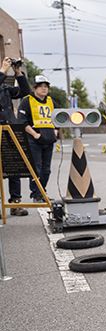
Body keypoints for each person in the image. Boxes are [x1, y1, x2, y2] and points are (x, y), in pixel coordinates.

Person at [17, 75, 58, 203]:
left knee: (47, 169)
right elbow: (22, 122)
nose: (44, 89)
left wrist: (56, 132)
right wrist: (35, 134)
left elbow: (59, 118)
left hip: (49, 139)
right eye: (41, 86)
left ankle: (42, 191)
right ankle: (36, 194)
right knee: (36, 168)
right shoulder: (27, 101)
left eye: (46, 87)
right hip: (34, 140)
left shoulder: (52, 101)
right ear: (35, 88)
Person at [0, 57, 30, 216]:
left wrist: (18, 72)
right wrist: (3, 70)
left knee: (14, 166)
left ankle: (15, 203)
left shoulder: (4, 87)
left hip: (9, 128)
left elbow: (25, 92)